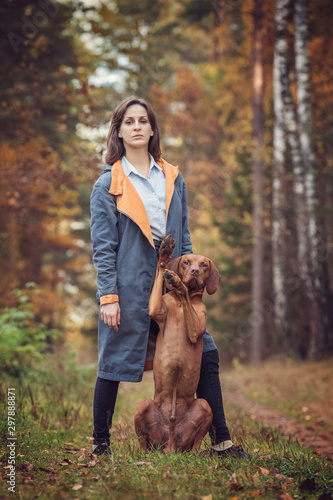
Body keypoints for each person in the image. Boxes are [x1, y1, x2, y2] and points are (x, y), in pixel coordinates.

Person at [90, 95, 245, 458]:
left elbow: (184, 237)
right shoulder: (107, 185)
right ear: (118, 131)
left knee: (204, 350)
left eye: (143, 120)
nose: (137, 127)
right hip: (130, 287)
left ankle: (221, 440)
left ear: (153, 128)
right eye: (129, 122)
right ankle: (100, 444)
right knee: (113, 360)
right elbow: (103, 248)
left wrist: (192, 288)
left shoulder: (173, 177)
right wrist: (108, 297)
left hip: (174, 288)